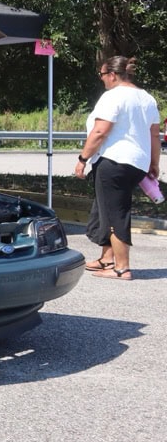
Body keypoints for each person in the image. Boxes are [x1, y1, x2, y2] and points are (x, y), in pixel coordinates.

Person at [75, 56, 161, 280]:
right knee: (106, 208)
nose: (102, 79)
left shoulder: (113, 96)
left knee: (115, 213)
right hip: (137, 163)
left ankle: (121, 268)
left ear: (112, 75)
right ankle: (107, 258)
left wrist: (83, 158)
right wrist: (154, 163)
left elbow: (100, 131)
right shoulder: (147, 98)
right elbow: (154, 135)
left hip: (114, 160)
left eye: (102, 75)